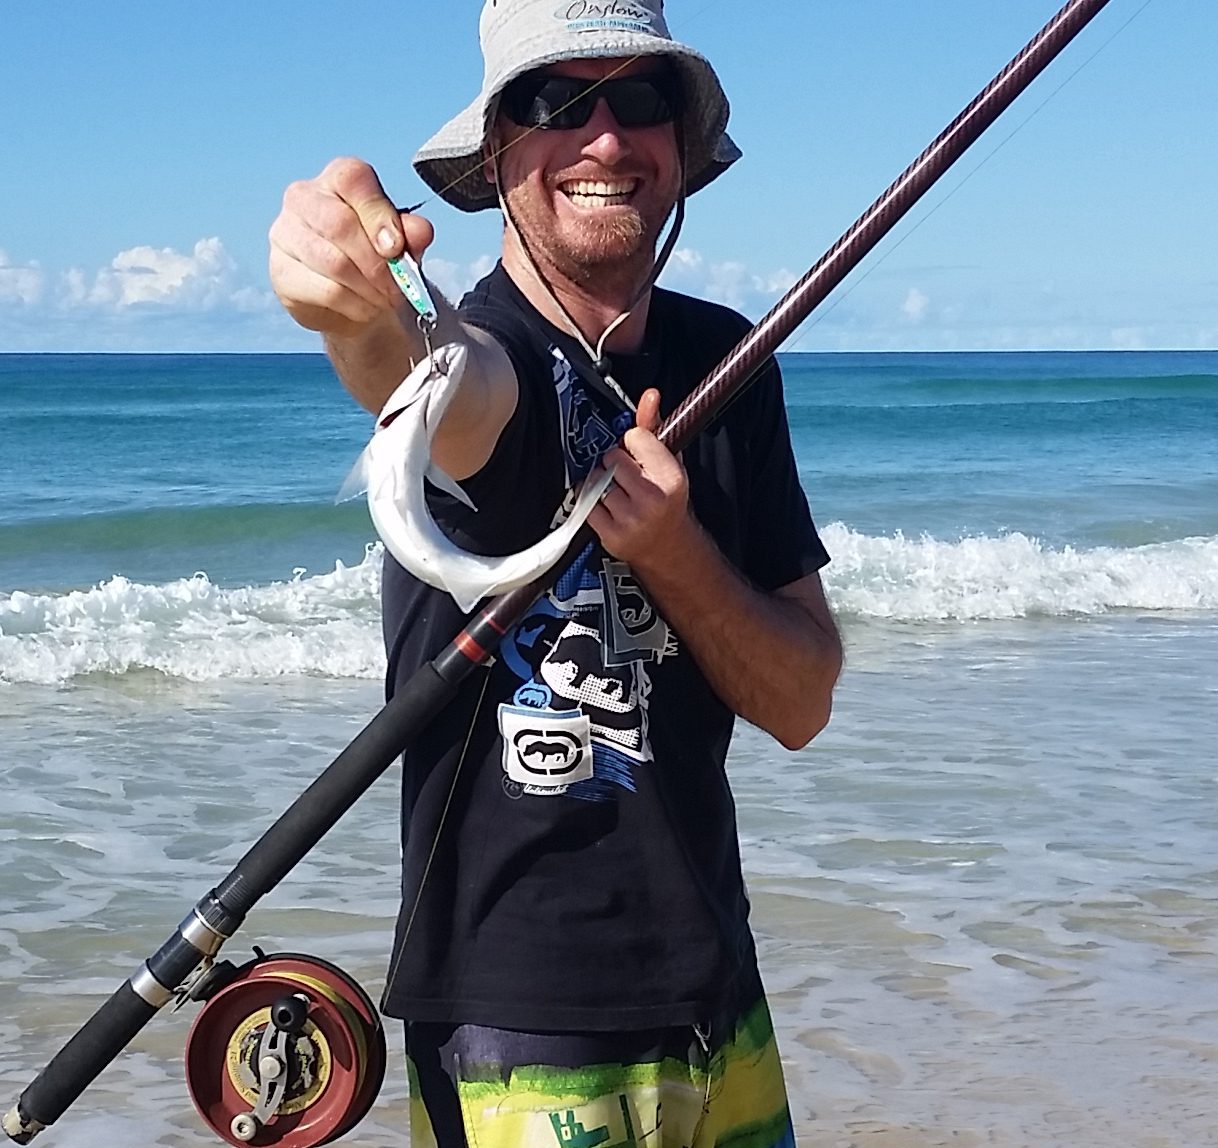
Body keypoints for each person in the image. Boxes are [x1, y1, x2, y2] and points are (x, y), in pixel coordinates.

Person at [268, 2, 841, 1144]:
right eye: (553, 102)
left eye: (641, 99)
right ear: (496, 151)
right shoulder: (486, 356)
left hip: (718, 998)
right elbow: (433, 367)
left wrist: (676, 552)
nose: (605, 138)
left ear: (680, 138)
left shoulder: (730, 361)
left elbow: (800, 698)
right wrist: (358, 319)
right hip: (513, 1031)